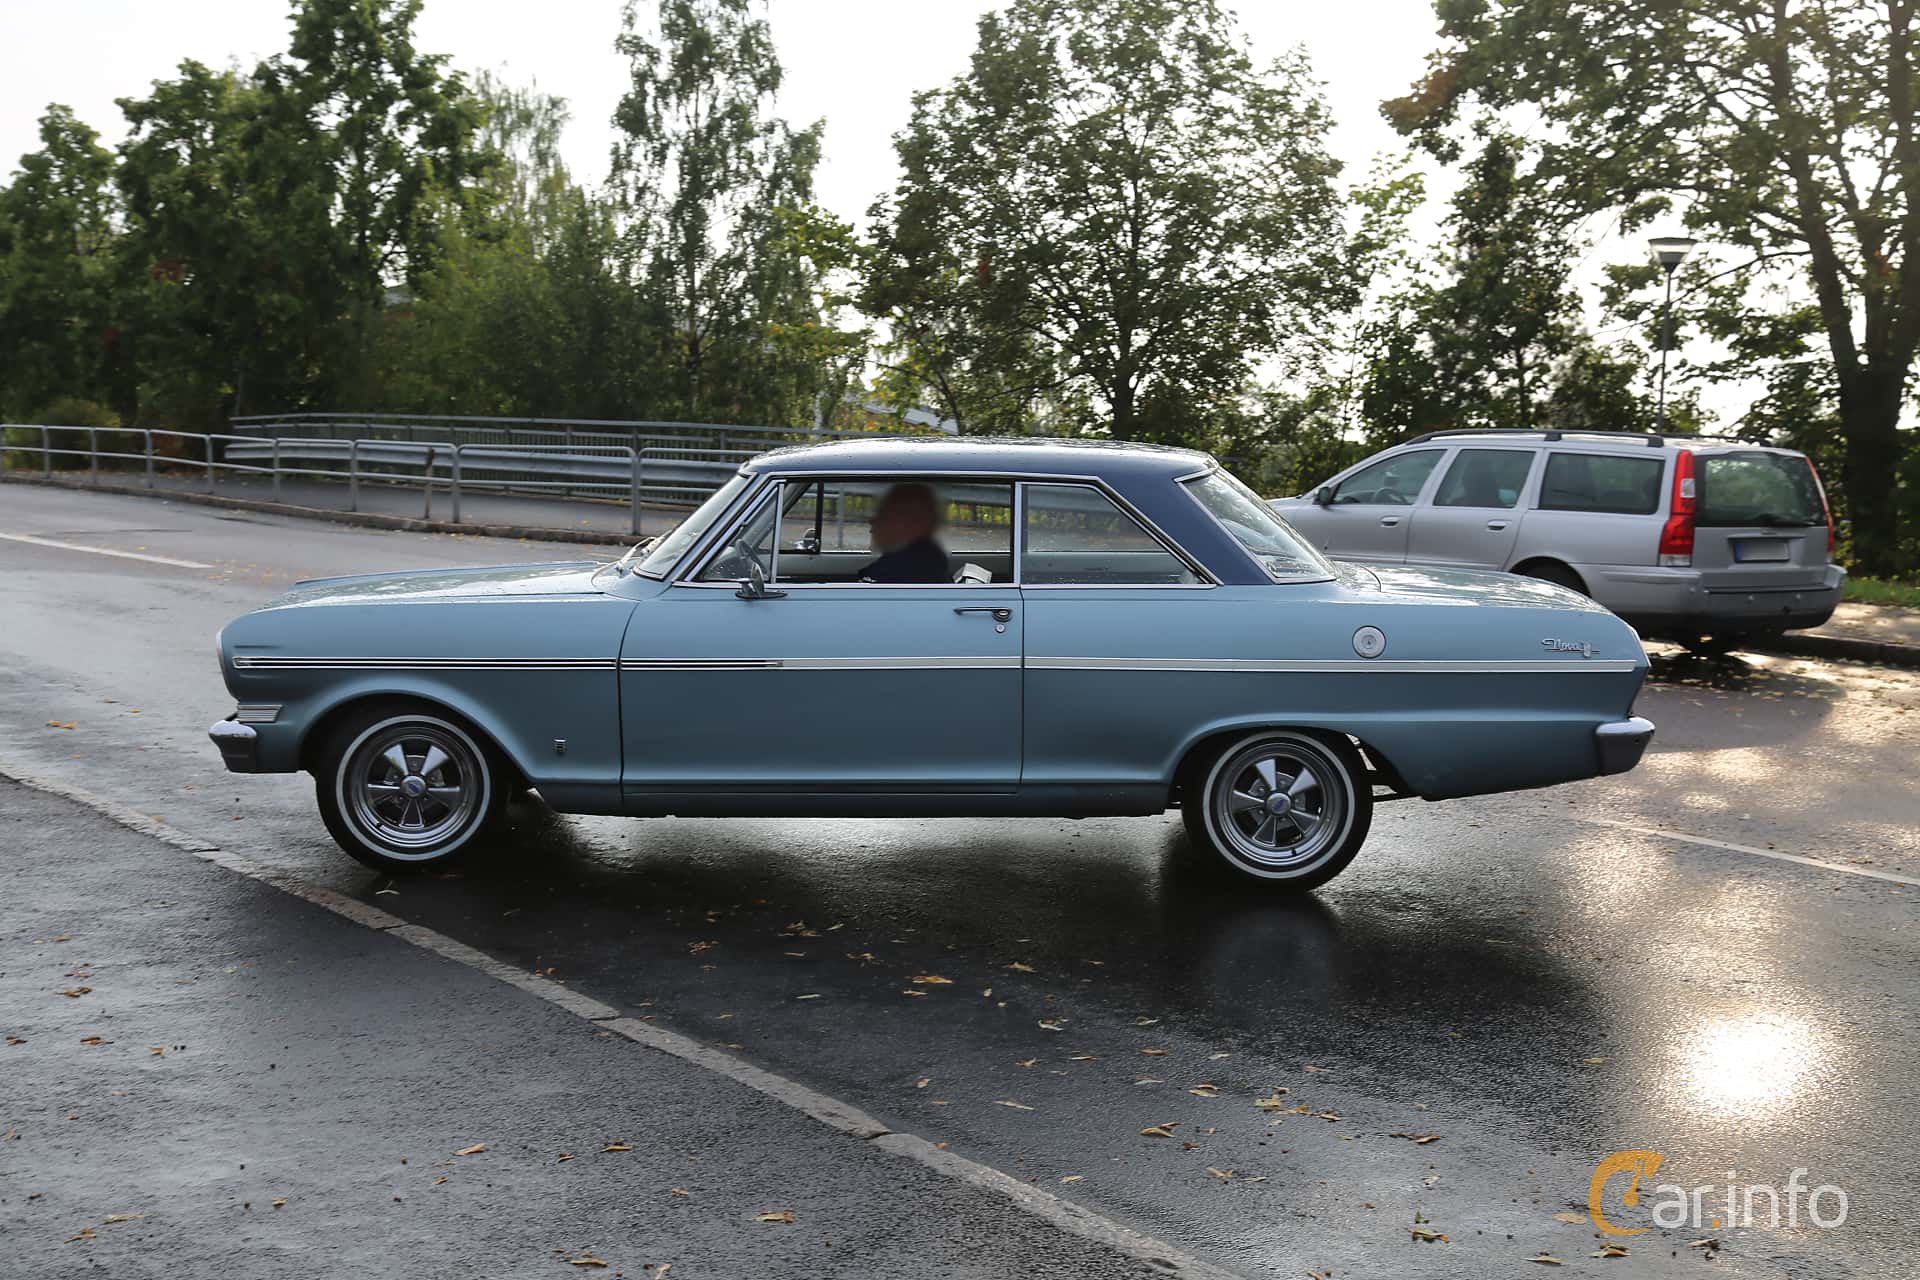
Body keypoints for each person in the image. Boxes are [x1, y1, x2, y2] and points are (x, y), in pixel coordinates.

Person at [860, 482, 950, 583]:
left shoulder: (894, 573)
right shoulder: (926, 563)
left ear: (913, 525)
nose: (872, 521)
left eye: (884, 515)